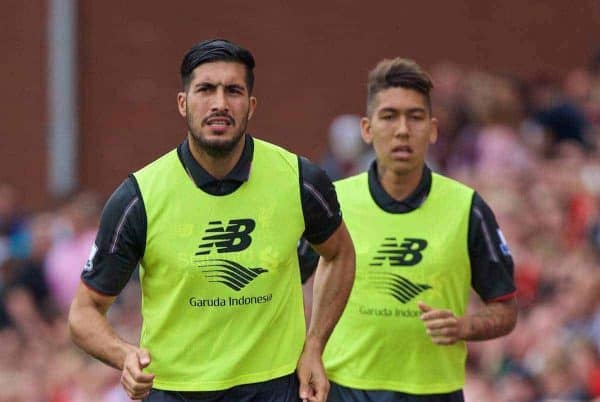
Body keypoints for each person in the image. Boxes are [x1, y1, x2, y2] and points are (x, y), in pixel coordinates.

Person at [68, 39, 355, 402]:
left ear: (250, 106)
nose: (219, 103)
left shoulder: (300, 181)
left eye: (233, 91)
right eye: (206, 89)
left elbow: (340, 253)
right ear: (183, 103)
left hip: (275, 389)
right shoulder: (138, 197)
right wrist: (124, 355)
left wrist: (314, 345)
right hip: (174, 391)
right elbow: (83, 313)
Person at [299, 58, 517, 402]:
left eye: (414, 117)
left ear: (432, 129)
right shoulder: (333, 202)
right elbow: (286, 284)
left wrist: (465, 327)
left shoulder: (467, 208)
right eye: (389, 116)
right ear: (367, 129)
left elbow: (505, 309)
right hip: (347, 390)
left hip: (434, 392)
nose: (402, 130)